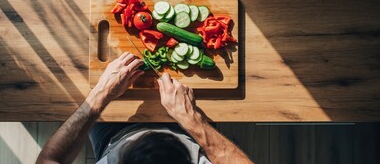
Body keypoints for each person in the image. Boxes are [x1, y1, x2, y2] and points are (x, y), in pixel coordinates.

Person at [36, 52, 253, 164]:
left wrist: (101, 92)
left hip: (114, 135)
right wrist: (192, 120)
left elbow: (48, 161)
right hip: (189, 131)